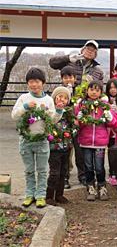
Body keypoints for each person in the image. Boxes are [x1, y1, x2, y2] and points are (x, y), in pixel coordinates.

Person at [11, 67, 63, 208]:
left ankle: (40, 195)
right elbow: (14, 115)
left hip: (42, 141)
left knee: (41, 170)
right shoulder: (23, 98)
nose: (34, 84)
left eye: (37, 81)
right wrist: (25, 107)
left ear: (43, 83)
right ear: (27, 83)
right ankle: (29, 194)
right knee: (28, 170)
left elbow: (52, 120)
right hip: (25, 140)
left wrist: (59, 110)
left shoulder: (47, 100)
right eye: (31, 82)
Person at [75, 80, 116, 201]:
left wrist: (109, 117)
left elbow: (112, 123)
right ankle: (90, 187)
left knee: (99, 167)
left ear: (101, 92)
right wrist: (80, 120)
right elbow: (78, 126)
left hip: (100, 142)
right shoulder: (81, 105)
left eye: (97, 90)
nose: (94, 92)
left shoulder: (104, 106)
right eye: (91, 89)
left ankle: (102, 187)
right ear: (87, 91)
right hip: (86, 142)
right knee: (88, 166)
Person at [46, 87, 73, 206]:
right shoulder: (50, 112)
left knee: (63, 171)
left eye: (66, 98)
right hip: (54, 147)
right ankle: (49, 195)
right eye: (60, 96)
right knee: (54, 172)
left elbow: (73, 126)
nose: (62, 100)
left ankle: (59, 194)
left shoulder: (69, 113)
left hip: (66, 146)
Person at [60, 66, 85, 189]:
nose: (68, 80)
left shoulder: (80, 92)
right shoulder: (59, 92)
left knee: (80, 151)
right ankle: (65, 177)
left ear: (75, 78)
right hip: (65, 127)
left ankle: (83, 175)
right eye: (65, 78)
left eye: (70, 77)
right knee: (66, 152)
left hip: (78, 126)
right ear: (61, 79)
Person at [105, 79, 117, 186]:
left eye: (115, 87)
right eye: (110, 88)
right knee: (111, 152)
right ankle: (112, 173)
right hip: (109, 131)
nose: (113, 90)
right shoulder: (105, 100)